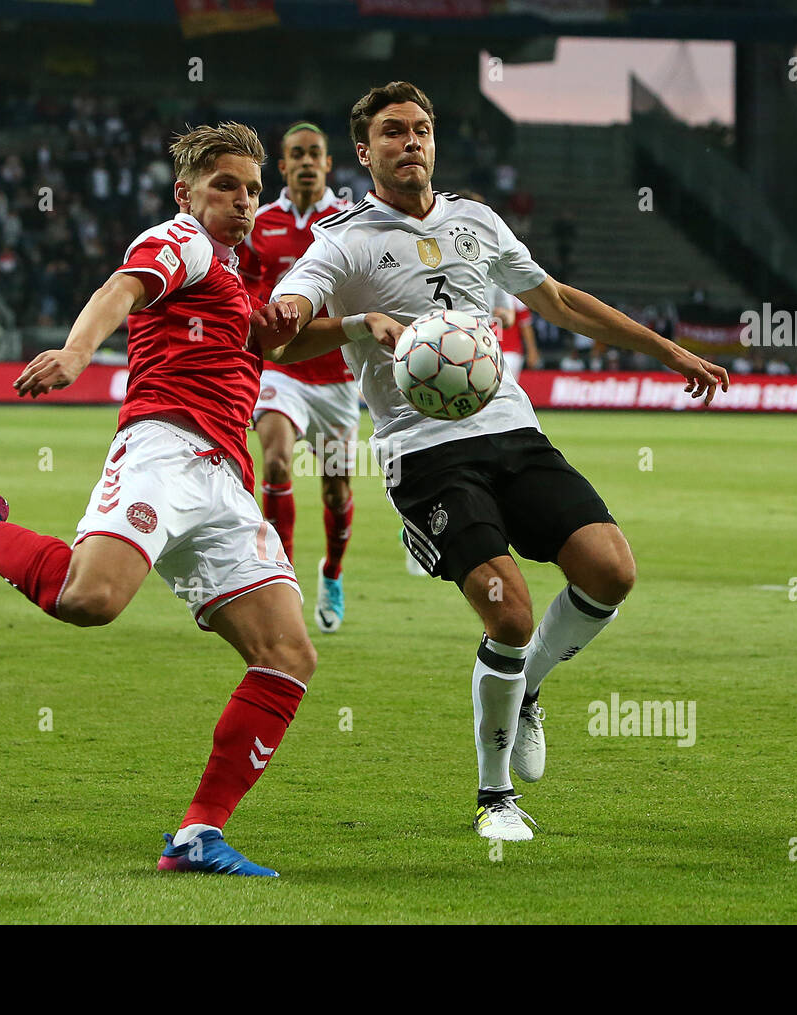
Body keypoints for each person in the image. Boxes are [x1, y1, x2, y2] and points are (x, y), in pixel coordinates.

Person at [268, 81, 728, 842]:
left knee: (611, 570)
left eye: (422, 128)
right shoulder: (343, 239)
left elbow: (560, 301)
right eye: (392, 132)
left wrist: (667, 347)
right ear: (365, 152)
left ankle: (529, 689)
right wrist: (350, 321)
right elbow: (279, 335)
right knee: (509, 612)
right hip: (425, 454)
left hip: (513, 432)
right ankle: (496, 797)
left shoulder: (476, 220)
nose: (411, 142)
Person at [0, 122, 314, 877]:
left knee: (288, 654)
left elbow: (275, 343)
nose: (243, 201)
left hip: (224, 480)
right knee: (88, 600)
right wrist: (79, 353)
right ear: (187, 192)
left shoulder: (236, 278)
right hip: (163, 448)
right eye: (226, 185)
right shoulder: (178, 241)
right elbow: (121, 287)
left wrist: (371, 328)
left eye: (253, 189)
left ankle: (196, 836)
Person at [239, 121, 357, 633]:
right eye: (297, 155)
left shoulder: (349, 222)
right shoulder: (258, 223)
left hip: (336, 378)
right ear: (282, 166)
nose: (307, 162)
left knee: (335, 489)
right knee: (277, 460)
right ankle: (280, 579)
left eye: (316, 154)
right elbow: (238, 288)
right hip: (280, 371)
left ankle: (331, 573)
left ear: (328, 164)